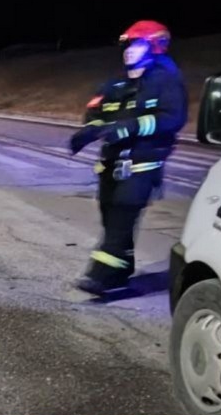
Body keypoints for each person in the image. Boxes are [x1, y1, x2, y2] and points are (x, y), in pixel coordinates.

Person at [69, 20, 188, 295]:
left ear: (155, 46)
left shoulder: (166, 82)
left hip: (141, 164)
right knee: (110, 217)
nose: (128, 51)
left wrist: (130, 127)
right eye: (126, 46)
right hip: (110, 165)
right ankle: (122, 269)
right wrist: (88, 133)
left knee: (122, 215)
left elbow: (172, 118)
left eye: (135, 44)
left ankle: (103, 276)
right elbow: (96, 113)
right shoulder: (116, 84)